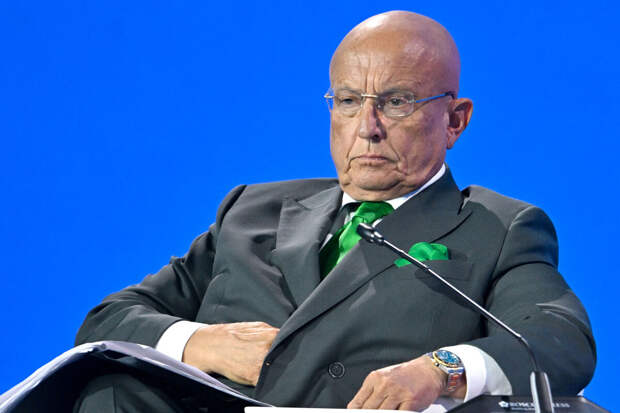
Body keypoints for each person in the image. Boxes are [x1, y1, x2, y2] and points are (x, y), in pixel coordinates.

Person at [74, 10, 595, 412]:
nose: (367, 127)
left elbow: (557, 340)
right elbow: (110, 319)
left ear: (454, 121)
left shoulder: (496, 228)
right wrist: (201, 342)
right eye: (348, 101)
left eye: (396, 102)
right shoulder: (251, 210)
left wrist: (440, 369)